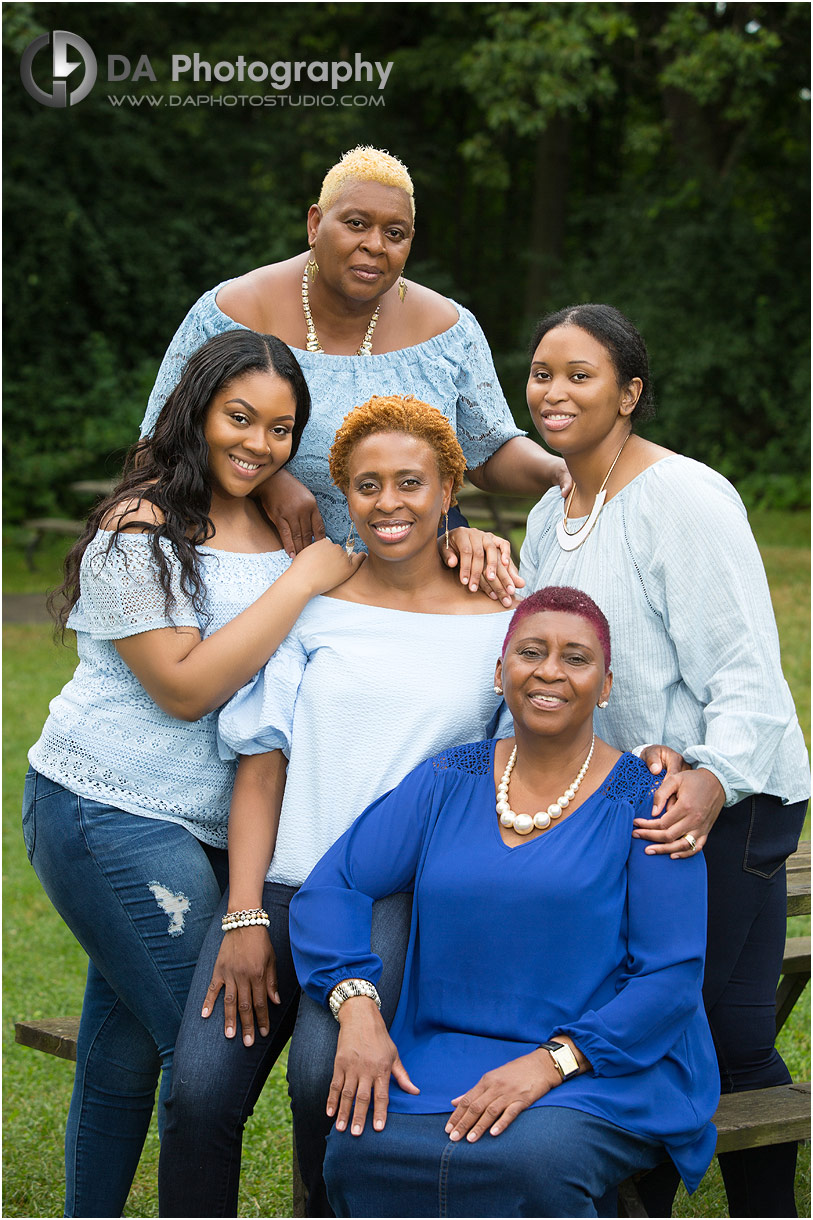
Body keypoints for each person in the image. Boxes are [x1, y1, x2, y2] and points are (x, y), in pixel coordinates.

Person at [22, 331, 361, 1218]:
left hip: (209, 825)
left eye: (281, 430)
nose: (257, 444)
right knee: (205, 1046)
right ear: (198, 411)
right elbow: (184, 687)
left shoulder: (282, 525)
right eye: (239, 418)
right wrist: (303, 581)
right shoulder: (140, 526)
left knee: (126, 1050)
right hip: (107, 807)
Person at [157, 395, 520, 1217]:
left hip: (389, 898)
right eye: (365, 485)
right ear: (343, 495)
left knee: (326, 1080)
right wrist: (243, 914)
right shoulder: (314, 604)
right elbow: (262, 765)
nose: (387, 502)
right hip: (283, 885)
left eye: (408, 482)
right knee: (198, 1096)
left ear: (447, 486)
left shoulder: (499, 616)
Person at [287, 587, 721, 1218]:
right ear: (500, 672)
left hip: (601, 1065)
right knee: (360, 1150)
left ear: (605, 686)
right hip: (441, 1053)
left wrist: (552, 1063)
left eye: (576, 658)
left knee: (531, 1159)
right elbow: (334, 884)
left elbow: (672, 978)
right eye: (531, 652)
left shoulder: (650, 803)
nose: (549, 670)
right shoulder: (448, 780)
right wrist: (356, 1007)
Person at [519, 304, 810, 1218]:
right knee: (626, 1022)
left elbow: (745, 670)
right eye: (539, 373)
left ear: (629, 393)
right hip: (625, 807)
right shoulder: (544, 513)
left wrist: (712, 777)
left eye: (579, 374)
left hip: (733, 799)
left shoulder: (680, 497)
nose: (553, 391)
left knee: (721, 1031)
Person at [139, 144, 568, 602]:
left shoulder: (449, 329)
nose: (375, 245)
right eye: (356, 223)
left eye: (395, 233)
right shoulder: (232, 312)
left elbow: (487, 450)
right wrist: (266, 482)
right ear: (314, 224)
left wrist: (560, 471)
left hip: (411, 583)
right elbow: (157, 445)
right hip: (265, 582)